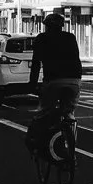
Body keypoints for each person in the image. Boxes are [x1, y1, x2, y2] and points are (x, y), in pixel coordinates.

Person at [25, 9, 83, 154]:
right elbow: (76, 59)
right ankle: (71, 149)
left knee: (45, 112)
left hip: (53, 81)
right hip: (74, 80)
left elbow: (36, 64)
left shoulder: (42, 38)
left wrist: (32, 85)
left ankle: (38, 143)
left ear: (46, 26)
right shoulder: (70, 37)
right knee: (69, 114)